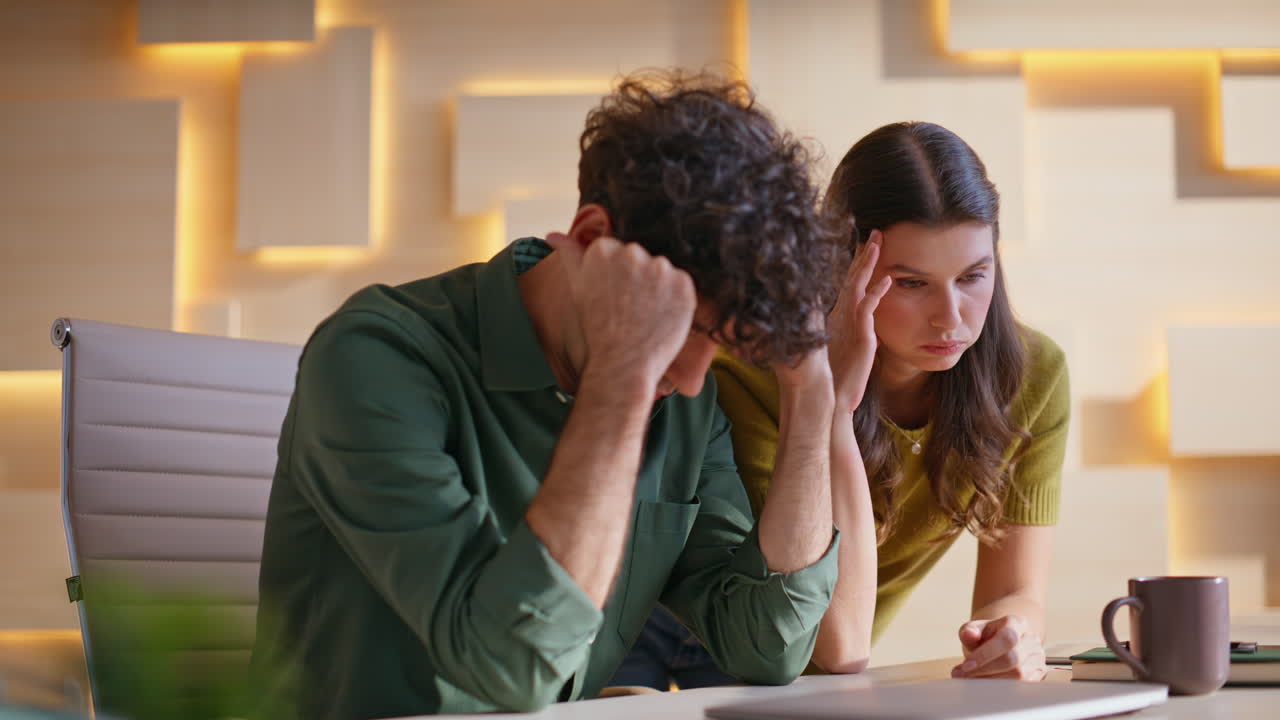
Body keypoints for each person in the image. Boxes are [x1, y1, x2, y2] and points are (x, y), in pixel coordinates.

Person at [247, 70, 851, 719]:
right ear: (593, 240)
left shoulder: (684, 403)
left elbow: (766, 646)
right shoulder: (375, 359)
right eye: (685, 330)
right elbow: (510, 667)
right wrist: (623, 372)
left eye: (722, 346)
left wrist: (811, 387)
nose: (696, 380)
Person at [611, 121, 1069, 688]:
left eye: (973, 276)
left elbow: (1012, 591)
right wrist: (831, 403)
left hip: (800, 667)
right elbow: (836, 644)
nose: (951, 317)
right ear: (840, 267)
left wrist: (1013, 634)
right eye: (910, 283)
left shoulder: (1033, 377)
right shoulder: (750, 377)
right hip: (661, 629)